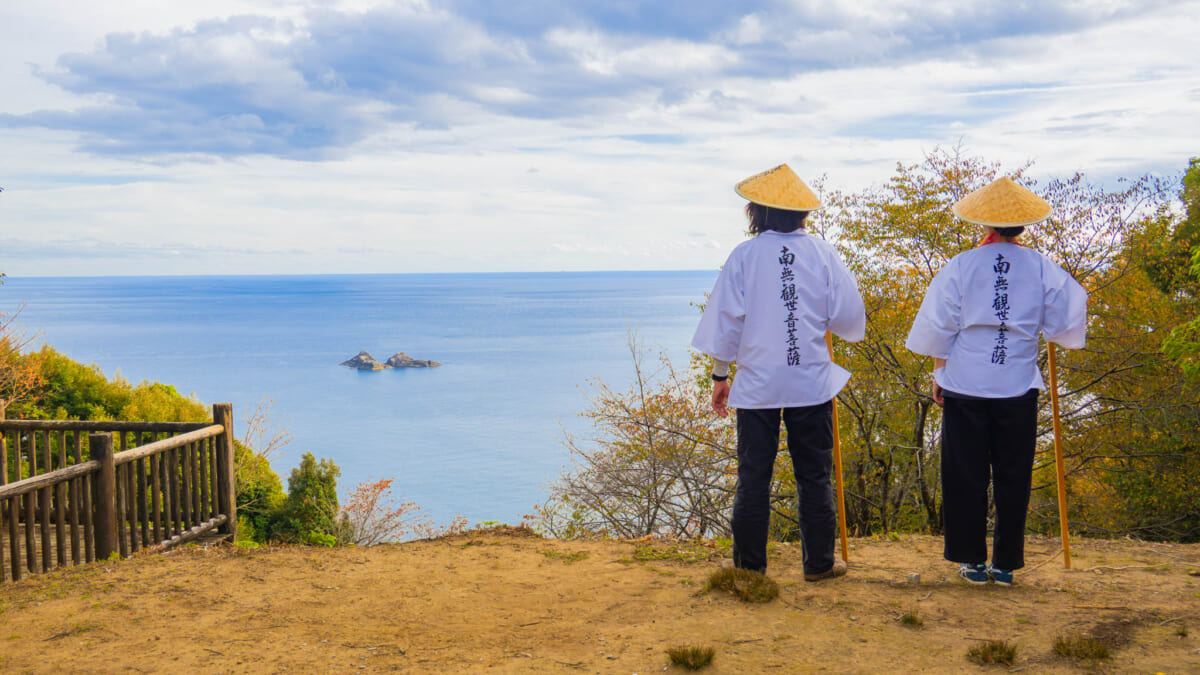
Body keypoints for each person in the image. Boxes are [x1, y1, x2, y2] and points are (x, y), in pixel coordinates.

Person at [905, 176, 1087, 587]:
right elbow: (1066, 320)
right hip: (1017, 383)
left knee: (964, 472)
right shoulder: (1043, 268)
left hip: (965, 381)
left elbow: (940, 327)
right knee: (1013, 472)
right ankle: (1005, 564)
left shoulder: (961, 266)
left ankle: (971, 559)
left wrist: (939, 372)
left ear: (983, 224)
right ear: (1022, 226)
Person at [692, 164, 865, 581]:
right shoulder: (823, 254)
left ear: (758, 212)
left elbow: (727, 324)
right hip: (810, 383)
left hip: (757, 387)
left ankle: (750, 568)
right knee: (814, 475)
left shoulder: (744, 256)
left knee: (753, 477)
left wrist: (719, 377)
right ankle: (819, 564)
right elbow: (848, 319)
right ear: (802, 214)